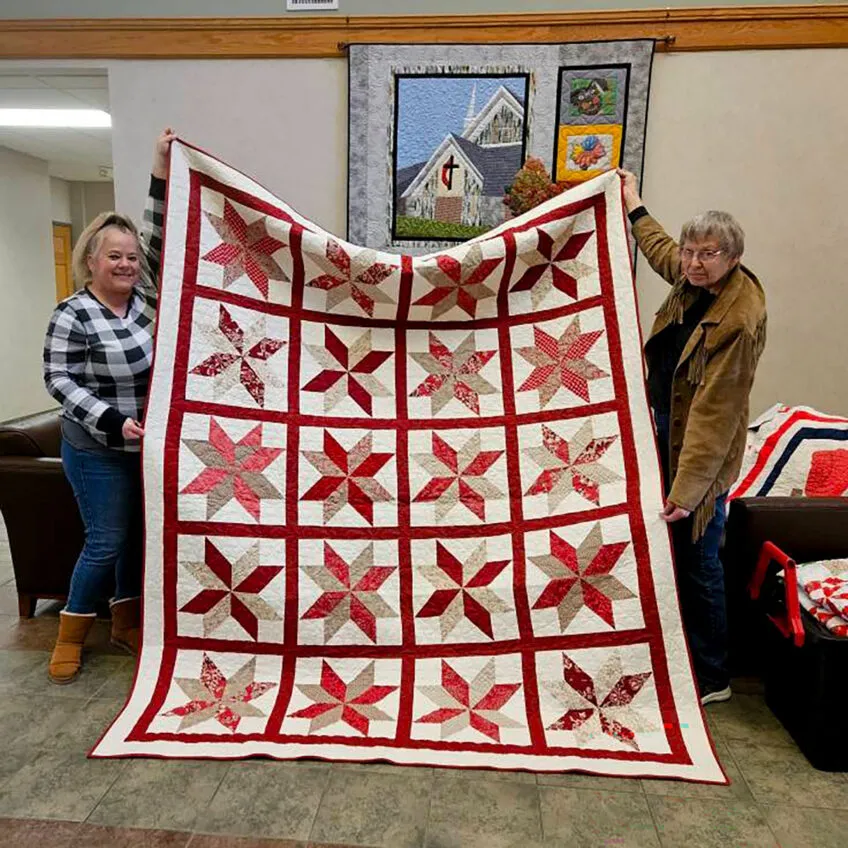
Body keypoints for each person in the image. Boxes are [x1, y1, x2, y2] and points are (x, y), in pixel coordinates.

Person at [617, 168, 767, 705]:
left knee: (699, 559)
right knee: (668, 550)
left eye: (706, 255)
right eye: (690, 252)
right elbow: (659, 250)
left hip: (698, 453)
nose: (692, 262)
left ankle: (712, 675)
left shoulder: (737, 321)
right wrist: (632, 202)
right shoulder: (693, 280)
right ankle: (675, 652)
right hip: (665, 428)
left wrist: (688, 491)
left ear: (732, 257)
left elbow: (715, 414)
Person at [43, 129, 177, 684]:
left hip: (143, 443)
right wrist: (111, 419)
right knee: (105, 541)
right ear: (91, 262)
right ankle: (70, 635)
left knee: (137, 540)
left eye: (128, 257)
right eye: (112, 256)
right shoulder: (73, 313)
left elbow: (158, 229)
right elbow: (58, 379)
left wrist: (160, 164)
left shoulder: (144, 301)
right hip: (97, 446)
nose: (124, 263)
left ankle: (125, 624)